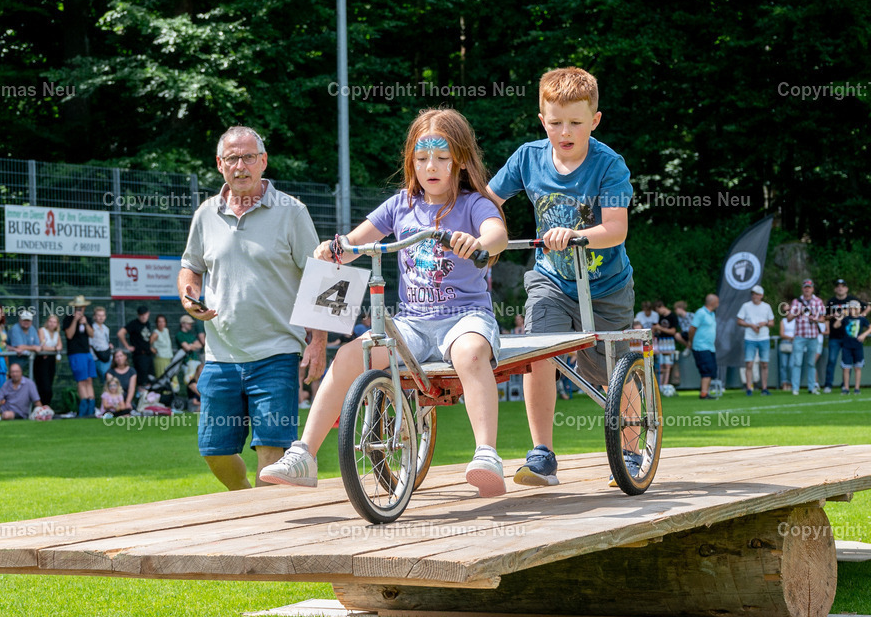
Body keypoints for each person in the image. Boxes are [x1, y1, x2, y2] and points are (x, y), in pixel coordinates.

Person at [261, 108, 508, 495]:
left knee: (470, 354)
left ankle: (486, 453)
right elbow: (357, 243)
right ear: (411, 160)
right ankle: (304, 454)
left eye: (442, 158)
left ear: (459, 160)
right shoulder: (401, 205)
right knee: (349, 357)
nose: (432, 166)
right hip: (412, 322)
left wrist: (479, 243)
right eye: (422, 158)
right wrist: (335, 250)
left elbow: (497, 234)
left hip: (465, 317)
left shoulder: (473, 203)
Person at [484, 66, 636, 485]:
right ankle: (542, 454)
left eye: (575, 123)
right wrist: (485, 231)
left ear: (595, 120)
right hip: (550, 279)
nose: (564, 132)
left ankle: (633, 448)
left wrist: (575, 234)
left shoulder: (609, 164)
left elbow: (616, 229)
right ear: (542, 120)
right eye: (555, 123)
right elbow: (486, 200)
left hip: (606, 285)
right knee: (538, 356)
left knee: (608, 370)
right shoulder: (528, 158)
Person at [179, 125, 327, 491]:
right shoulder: (205, 213)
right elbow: (191, 267)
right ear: (219, 164)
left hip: (276, 351)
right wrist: (188, 294)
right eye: (232, 158)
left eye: (248, 157)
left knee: (271, 456)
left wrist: (318, 342)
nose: (240, 166)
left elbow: (322, 278)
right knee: (213, 450)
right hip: (219, 355)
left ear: (263, 161)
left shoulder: (292, 212)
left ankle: (265, 535)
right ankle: (247, 502)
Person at [824, 279, 868, 393]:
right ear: (835, 289)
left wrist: (863, 314)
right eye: (838, 286)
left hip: (850, 339)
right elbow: (826, 318)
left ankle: (847, 385)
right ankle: (828, 385)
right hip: (835, 336)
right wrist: (836, 316)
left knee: (851, 364)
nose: (840, 288)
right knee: (832, 360)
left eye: (843, 286)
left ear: (846, 288)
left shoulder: (852, 300)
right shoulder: (831, 302)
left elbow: (867, 306)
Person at [786, 279, 826, 395]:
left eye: (809, 287)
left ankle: (811, 387)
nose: (807, 289)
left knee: (811, 363)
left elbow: (823, 319)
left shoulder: (818, 301)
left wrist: (816, 319)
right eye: (805, 287)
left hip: (813, 336)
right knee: (797, 362)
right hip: (800, 336)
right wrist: (797, 312)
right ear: (802, 289)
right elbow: (788, 318)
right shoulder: (796, 302)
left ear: (812, 289)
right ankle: (795, 388)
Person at [736, 285, 775, 396]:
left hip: (763, 337)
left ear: (761, 296)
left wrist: (765, 324)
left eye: (757, 294)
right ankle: (749, 387)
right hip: (750, 338)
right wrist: (750, 325)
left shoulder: (766, 307)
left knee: (764, 363)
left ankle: (764, 388)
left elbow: (772, 322)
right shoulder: (746, 306)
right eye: (753, 294)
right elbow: (739, 321)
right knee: (749, 363)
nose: (754, 296)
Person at [62, 296, 96, 417]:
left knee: (89, 380)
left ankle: (91, 407)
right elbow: (69, 335)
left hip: (87, 353)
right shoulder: (68, 319)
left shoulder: (88, 319)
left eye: (81, 307)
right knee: (82, 381)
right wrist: (75, 321)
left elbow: (92, 334)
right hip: (76, 353)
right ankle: (84, 408)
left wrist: (85, 323)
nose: (79, 309)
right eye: (77, 307)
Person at [688, 294, 719, 399]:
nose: (718, 304)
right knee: (706, 369)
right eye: (717, 302)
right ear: (712, 303)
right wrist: (691, 342)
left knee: (711, 370)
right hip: (701, 346)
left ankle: (705, 391)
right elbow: (692, 328)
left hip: (710, 347)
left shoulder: (712, 314)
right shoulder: (700, 313)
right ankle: (703, 393)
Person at [836, 300, 870, 395]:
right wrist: (841, 315)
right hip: (847, 346)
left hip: (857, 346)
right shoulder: (846, 319)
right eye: (851, 308)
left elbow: (870, 328)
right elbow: (836, 325)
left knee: (857, 367)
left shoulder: (862, 319)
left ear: (859, 309)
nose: (853, 310)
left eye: (855, 308)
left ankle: (857, 388)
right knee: (846, 368)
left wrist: (864, 335)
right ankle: (846, 388)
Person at [174, 315, 205, 409]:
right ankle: (204, 399)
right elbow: (187, 348)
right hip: (188, 362)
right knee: (190, 381)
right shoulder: (179, 335)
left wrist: (191, 346)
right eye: (189, 323)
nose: (191, 325)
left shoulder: (190, 335)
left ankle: (203, 399)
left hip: (196, 362)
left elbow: (200, 345)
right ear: (183, 324)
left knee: (199, 381)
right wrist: (192, 346)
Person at [118, 306, 153, 380]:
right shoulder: (134, 324)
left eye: (145, 314)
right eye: (141, 315)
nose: (143, 317)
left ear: (148, 314)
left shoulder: (148, 324)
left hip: (148, 354)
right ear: (138, 315)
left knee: (150, 378)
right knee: (142, 379)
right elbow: (120, 333)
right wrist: (127, 346)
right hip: (139, 355)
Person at [35, 313, 63, 407]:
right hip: (41, 361)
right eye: (50, 321)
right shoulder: (42, 330)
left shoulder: (56, 333)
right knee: (44, 386)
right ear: (47, 322)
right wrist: (54, 349)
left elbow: (60, 346)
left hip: (51, 361)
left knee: (49, 385)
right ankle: (41, 406)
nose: (52, 324)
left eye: (54, 322)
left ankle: (47, 406)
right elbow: (42, 346)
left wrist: (52, 349)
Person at [652, 300, 679, 389]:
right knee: (661, 364)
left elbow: (673, 331)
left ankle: (665, 385)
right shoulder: (661, 317)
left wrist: (660, 328)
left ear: (661, 306)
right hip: (661, 342)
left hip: (669, 342)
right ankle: (660, 385)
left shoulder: (672, 316)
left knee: (667, 365)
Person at [8, 309, 41, 375]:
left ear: (31, 321)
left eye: (28, 320)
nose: (26, 322)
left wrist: (31, 348)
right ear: (20, 320)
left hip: (29, 363)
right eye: (24, 320)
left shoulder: (32, 328)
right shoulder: (15, 328)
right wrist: (33, 348)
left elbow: (38, 346)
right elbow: (20, 346)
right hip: (15, 363)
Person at [89, 306, 113, 382]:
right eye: (99, 315)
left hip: (106, 356)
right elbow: (90, 342)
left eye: (102, 315)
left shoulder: (106, 328)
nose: (101, 317)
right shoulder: (91, 328)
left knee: (108, 379)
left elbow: (106, 341)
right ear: (94, 317)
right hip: (96, 357)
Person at [150, 314, 173, 382]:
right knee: (162, 379)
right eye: (159, 322)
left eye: (163, 321)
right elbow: (147, 345)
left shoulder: (166, 330)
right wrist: (152, 349)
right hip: (160, 359)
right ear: (157, 323)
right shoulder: (155, 334)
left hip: (168, 358)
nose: (161, 323)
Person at [778, 305, 796, 392]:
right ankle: (784, 383)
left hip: (794, 345)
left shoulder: (796, 321)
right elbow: (781, 334)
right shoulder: (783, 321)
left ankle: (791, 383)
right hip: (785, 344)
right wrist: (791, 337)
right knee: (784, 365)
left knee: (791, 365)